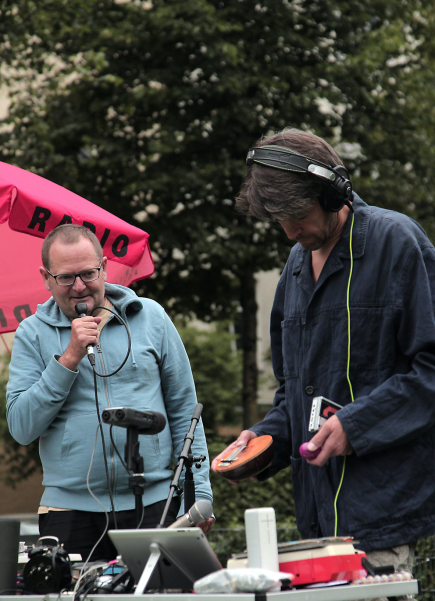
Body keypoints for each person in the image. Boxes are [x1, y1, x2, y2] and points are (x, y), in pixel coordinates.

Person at [212, 128, 435, 576]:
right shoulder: (293, 268)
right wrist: (266, 442)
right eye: (279, 220)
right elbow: (294, 393)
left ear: (332, 193)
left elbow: (430, 370)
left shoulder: (397, 244)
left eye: (297, 214)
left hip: (380, 521)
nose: (290, 230)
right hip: (315, 523)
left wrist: (356, 424)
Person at [7, 224, 214, 561]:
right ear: (46, 278)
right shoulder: (32, 333)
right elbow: (21, 427)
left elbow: (186, 412)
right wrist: (69, 357)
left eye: (88, 273)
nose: (78, 287)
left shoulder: (151, 318)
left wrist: (197, 495)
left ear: (104, 266)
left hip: (156, 503)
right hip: (69, 511)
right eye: (65, 278)